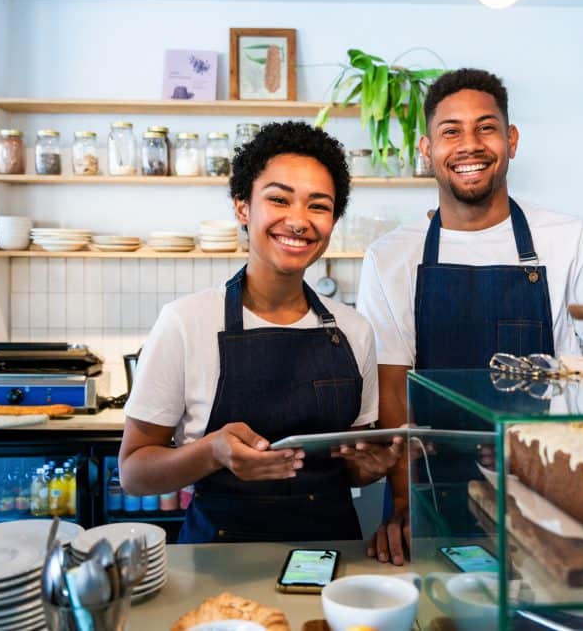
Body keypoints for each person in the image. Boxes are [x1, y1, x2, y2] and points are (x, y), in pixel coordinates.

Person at [357, 69, 583, 564]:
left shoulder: (570, 238)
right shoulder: (390, 257)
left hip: (552, 485)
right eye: (451, 131)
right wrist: (407, 506)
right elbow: (393, 396)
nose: (469, 145)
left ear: (511, 141)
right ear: (427, 149)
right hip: (434, 487)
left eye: (486, 127)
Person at [119, 121, 402, 543]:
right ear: (242, 208)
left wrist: (373, 465)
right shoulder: (186, 322)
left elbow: (352, 463)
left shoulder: (353, 330)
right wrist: (212, 452)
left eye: (318, 206)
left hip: (329, 554)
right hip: (218, 557)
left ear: (333, 221)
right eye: (278, 199)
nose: (298, 221)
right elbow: (134, 473)